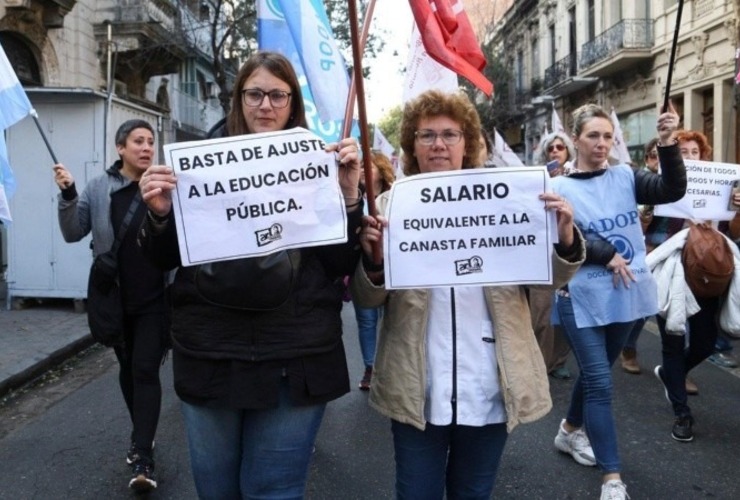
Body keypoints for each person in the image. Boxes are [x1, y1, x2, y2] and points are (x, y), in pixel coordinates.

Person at [136, 52, 364, 498]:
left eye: (278, 95)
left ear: (293, 103)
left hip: (295, 353)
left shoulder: (318, 165)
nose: (266, 105)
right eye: (255, 93)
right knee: (217, 490)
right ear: (238, 99)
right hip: (212, 352)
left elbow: (340, 265)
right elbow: (163, 259)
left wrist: (349, 196)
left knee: (275, 489)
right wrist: (160, 216)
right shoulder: (196, 165)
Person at [350, 89, 586, 499]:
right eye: (426, 135)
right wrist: (373, 261)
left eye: (449, 134)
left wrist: (563, 236)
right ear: (412, 146)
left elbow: (550, 279)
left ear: (468, 143)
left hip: (490, 385)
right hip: (416, 388)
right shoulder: (389, 207)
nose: (438, 144)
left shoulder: (512, 199)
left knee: (473, 493)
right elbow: (367, 300)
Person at [550, 103, 685, 500]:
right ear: (576, 139)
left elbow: (672, 189)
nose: (601, 144)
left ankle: (569, 430)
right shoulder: (557, 188)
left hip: (626, 294)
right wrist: (603, 251)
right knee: (601, 383)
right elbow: (560, 240)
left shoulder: (626, 175)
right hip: (580, 297)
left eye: (608, 136)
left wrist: (667, 143)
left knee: (597, 374)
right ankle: (613, 477)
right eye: (593, 135)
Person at [53, 119, 170, 493]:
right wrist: (69, 195)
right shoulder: (100, 187)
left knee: (145, 369)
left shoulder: (164, 182)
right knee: (127, 368)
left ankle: (143, 458)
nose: (146, 148)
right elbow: (73, 232)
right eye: (138, 141)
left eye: (151, 142)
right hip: (116, 300)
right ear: (120, 148)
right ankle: (143, 434)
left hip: (155, 297)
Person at [653, 129, 740, 442]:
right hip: (673, 271)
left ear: (703, 157)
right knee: (672, 342)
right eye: (683, 152)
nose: (689, 157)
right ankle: (682, 414)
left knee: (704, 342)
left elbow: (733, 232)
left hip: (707, 275)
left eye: (694, 152)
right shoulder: (663, 186)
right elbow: (651, 228)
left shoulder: (721, 188)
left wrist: (736, 207)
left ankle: (670, 374)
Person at [531, 131, 578, 380]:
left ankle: (558, 360)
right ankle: (538, 365)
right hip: (543, 256)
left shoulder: (579, 179)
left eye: (560, 147)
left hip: (572, 253)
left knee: (568, 316)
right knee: (542, 315)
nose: (556, 151)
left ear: (568, 151)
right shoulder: (536, 181)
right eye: (551, 148)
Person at [353, 151, 395, 390]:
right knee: (367, 319)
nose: (360, 170)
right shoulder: (350, 197)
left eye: (366, 166)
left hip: (394, 272)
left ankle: (388, 367)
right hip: (365, 271)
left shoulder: (395, 198)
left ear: (381, 170)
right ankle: (370, 367)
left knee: (391, 320)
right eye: (358, 166)